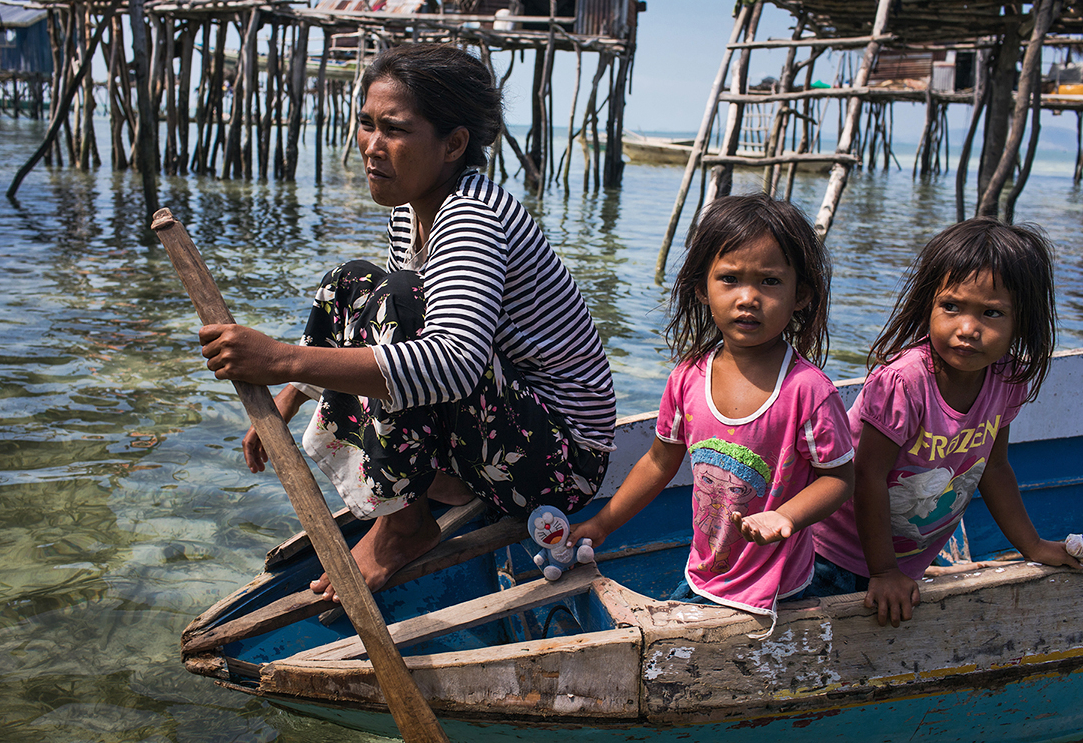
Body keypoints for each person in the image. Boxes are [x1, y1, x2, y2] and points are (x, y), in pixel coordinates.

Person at [199, 43, 616, 599]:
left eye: (393, 130)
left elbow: (454, 362)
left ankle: (403, 525)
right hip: (506, 429)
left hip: (560, 464)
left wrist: (279, 358)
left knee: (406, 311)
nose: (372, 146)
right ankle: (409, 500)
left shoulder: (473, 215)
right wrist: (291, 394)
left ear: (454, 144)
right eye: (366, 124)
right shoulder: (411, 210)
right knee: (354, 280)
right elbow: (389, 318)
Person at [569, 194, 854, 626]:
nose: (748, 298)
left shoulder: (808, 392)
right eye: (730, 279)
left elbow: (839, 478)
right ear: (702, 289)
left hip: (781, 589)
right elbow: (659, 461)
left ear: (802, 296)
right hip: (704, 574)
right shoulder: (687, 378)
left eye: (770, 282)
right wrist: (603, 524)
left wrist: (786, 517)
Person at [811, 218, 1082, 627]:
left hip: (905, 562)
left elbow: (994, 467)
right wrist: (884, 571)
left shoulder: (1007, 380)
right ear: (929, 305)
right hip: (831, 554)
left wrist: (1033, 545)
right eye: (951, 307)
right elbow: (867, 475)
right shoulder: (905, 382)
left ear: (1021, 322)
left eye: (991, 313)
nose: (967, 329)